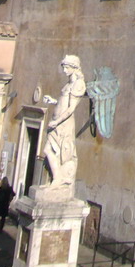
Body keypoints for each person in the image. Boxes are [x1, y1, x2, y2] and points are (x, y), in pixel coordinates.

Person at [43, 55, 85, 193]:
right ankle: (56, 179)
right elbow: (63, 103)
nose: (65, 70)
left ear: (74, 67)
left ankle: (59, 180)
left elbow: (71, 109)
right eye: (64, 67)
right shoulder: (68, 84)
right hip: (58, 122)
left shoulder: (78, 84)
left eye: (67, 67)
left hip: (64, 124)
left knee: (59, 152)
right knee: (50, 150)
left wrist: (56, 122)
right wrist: (53, 101)